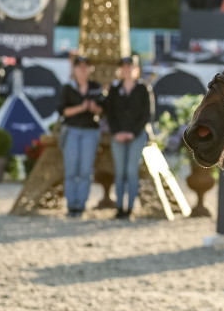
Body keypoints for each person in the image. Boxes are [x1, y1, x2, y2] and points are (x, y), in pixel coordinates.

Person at [102, 54, 153, 219]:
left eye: (130, 67)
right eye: (124, 67)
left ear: (136, 69)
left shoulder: (143, 89)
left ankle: (130, 207)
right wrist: (118, 132)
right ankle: (119, 207)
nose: (127, 70)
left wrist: (132, 132)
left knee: (131, 171)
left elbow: (147, 114)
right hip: (118, 136)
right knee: (120, 172)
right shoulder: (115, 90)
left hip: (136, 135)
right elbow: (109, 114)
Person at [57, 54, 103, 218]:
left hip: (90, 131)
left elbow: (102, 109)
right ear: (74, 69)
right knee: (71, 170)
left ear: (89, 69)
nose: (83, 70)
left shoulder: (95, 87)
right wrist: (82, 107)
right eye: (80, 67)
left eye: (85, 67)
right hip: (72, 130)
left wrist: (93, 108)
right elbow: (63, 111)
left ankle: (81, 205)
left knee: (85, 170)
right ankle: (71, 205)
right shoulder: (67, 88)